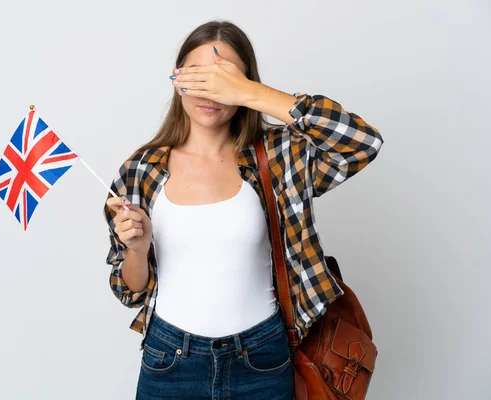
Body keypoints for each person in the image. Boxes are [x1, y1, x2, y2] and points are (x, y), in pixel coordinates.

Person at [103, 20, 384, 400]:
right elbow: (130, 290)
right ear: (177, 78)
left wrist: (250, 92)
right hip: (170, 360)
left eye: (224, 78)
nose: (210, 91)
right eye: (199, 75)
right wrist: (136, 250)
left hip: (262, 359)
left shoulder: (279, 155)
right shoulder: (142, 170)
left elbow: (361, 143)